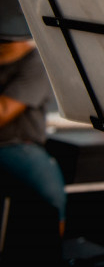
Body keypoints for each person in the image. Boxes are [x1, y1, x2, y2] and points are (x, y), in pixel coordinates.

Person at [0, 37, 67, 254]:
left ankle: (51, 252)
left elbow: (3, 112)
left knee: (52, 198)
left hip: (18, 145)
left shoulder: (36, 63)